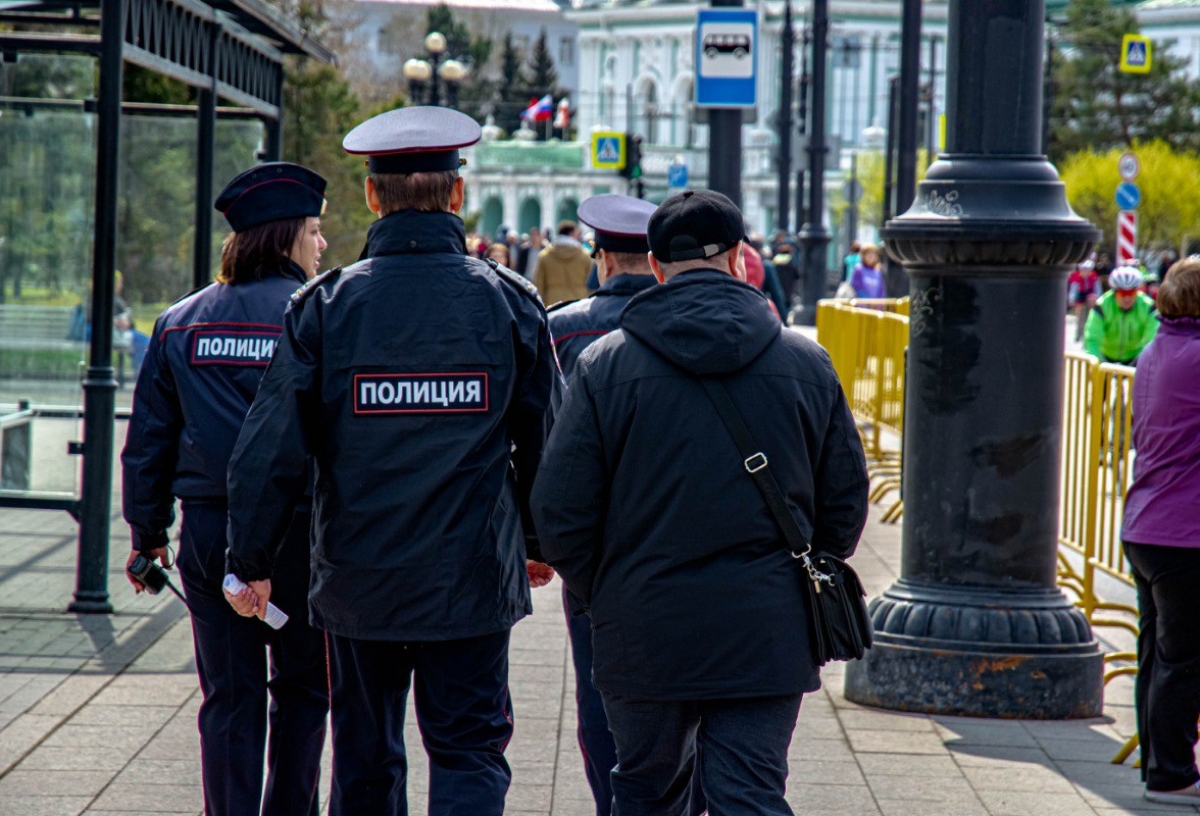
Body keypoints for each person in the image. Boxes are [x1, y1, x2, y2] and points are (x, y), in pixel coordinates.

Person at [223, 107, 556, 816]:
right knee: (468, 750)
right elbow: (545, 439)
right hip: (471, 574)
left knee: (366, 757)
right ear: (458, 196)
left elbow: (270, 446)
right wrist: (537, 543)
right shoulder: (509, 302)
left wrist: (248, 557)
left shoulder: (326, 305)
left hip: (358, 574)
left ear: (372, 197)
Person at [532, 190, 869, 816]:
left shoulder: (604, 366)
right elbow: (845, 502)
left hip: (642, 622)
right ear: (742, 258)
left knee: (646, 789)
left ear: (655, 267)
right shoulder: (806, 361)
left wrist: (604, 590)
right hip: (768, 624)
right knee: (750, 791)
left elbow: (560, 512)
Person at [120, 162, 331, 816]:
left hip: (210, 537)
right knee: (303, 690)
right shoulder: (318, 318)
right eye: (316, 231)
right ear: (290, 235)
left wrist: (147, 536)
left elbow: (149, 440)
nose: (321, 245)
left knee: (230, 696)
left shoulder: (180, 323)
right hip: (302, 536)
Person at [545, 193, 707, 816]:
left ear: (601, 259)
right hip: (699, 538)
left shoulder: (565, 328)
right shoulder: (702, 322)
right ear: (660, 261)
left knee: (601, 700)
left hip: (601, 556)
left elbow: (545, 447)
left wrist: (545, 548)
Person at [1121, 258, 1200, 805]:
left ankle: (1158, 764)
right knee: (1182, 657)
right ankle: (1171, 774)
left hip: (1146, 525)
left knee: (1157, 652)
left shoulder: (1155, 351)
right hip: (1183, 530)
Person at [1084, 266, 1159, 365]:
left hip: (1135, 357)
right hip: (1105, 357)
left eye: (1131, 293)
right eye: (1122, 293)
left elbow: (1153, 340)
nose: (1127, 298)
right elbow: (1092, 340)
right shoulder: (1101, 306)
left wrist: (1145, 362)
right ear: (1114, 292)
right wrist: (1095, 363)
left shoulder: (1148, 307)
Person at [534, 219, 592, 305]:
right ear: (572, 233)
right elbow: (591, 283)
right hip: (579, 304)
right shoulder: (585, 256)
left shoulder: (544, 256)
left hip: (552, 303)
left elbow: (539, 283)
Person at [1067, 259, 1101, 343]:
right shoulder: (1077, 276)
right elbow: (1073, 289)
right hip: (1080, 294)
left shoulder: (1094, 276)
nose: (1085, 272)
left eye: (1088, 270)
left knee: (1089, 314)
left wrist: (1098, 298)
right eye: (1084, 270)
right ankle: (1078, 334)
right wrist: (1071, 299)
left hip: (1090, 293)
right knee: (1079, 316)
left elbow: (1098, 288)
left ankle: (1088, 332)